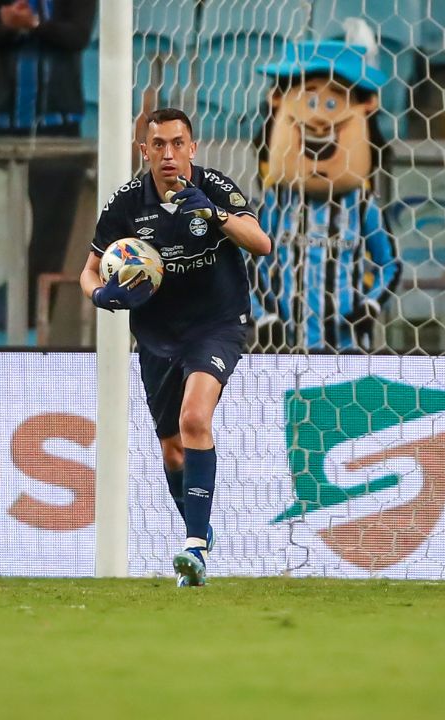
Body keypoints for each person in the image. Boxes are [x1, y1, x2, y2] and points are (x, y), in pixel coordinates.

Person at [81, 108, 272, 587]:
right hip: (157, 335)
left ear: (193, 147)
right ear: (143, 151)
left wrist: (215, 214)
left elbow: (262, 243)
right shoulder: (126, 203)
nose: (169, 153)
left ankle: (194, 547)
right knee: (171, 450)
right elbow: (89, 270)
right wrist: (100, 294)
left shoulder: (214, 187)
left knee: (194, 419)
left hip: (216, 324)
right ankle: (200, 533)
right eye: (158, 145)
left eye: (178, 143)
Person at [251, 40, 402, 352]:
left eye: (333, 101)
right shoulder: (272, 205)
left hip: (348, 349)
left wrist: (371, 306)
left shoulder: (362, 207)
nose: (319, 118)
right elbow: (243, 270)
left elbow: (390, 264)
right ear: (277, 101)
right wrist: (261, 317)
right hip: (284, 350)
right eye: (308, 97)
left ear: (366, 106)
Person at [0, 0, 95, 330]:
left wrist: (33, 24)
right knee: (2, 227)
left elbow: (78, 36)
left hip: (58, 128)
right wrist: (9, 25)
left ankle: (37, 325)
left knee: (49, 232)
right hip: (5, 128)